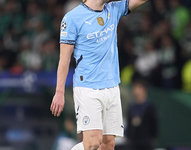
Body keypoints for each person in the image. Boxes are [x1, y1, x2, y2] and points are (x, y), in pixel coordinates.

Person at [50, 0, 148, 149]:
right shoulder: (72, 18)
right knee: (93, 143)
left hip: (112, 87)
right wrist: (59, 92)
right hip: (88, 88)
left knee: (108, 144)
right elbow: (64, 58)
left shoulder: (114, 9)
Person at [126, 80, 158, 150]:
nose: (134, 90)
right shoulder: (131, 107)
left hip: (146, 142)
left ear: (143, 89)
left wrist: (152, 139)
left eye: (137, 88)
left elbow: (154, 124)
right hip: (133, 143)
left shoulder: (150, 107)